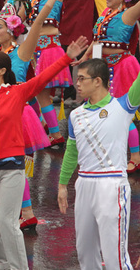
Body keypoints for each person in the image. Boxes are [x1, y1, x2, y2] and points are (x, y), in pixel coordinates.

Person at [0, 36, 89, 270]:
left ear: (2, 70)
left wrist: (67, 57)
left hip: (12, 168)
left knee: (7, 221)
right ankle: (2, 263)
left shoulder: (17, 93)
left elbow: (43, 78)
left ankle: (19, 267)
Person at [0, 0, 77, 229]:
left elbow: (38, 22)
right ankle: (25, 211)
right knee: (12, 164)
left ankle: (26, 211)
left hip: (19, 116)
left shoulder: (21, 51)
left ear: (11, 30)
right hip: (2, 114)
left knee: (18, 164)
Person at [57, 58, 140, 270]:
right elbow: (72, 151)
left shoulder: (123, 107)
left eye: (82, 78)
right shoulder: (76, 114)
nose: (77, 83)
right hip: (84, 184)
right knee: (85, 253)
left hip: (112, 185)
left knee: (115, 257)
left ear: (98, 81)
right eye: (77, 78)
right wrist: (62, 184)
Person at [74, 0, 140, 173]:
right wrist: (84, 58)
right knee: (104, 110)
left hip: (123, 66)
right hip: (103, 68)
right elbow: (97, 41)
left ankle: (136, 156)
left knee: (124, 113)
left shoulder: (129, 13)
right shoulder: (104, 14)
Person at [27, 0, 95, 146]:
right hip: (34, 50)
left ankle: (55, 134)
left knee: (40, 92)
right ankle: (43, 124)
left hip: (49, 48)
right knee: (33, 91)